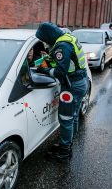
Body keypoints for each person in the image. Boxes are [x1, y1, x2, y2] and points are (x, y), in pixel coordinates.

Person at [35, 22, 88, 162]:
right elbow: (67, 62)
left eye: (44, 39)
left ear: (48, 36)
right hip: (80, 82)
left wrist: (44, 70)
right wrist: (48, 58)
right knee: (73, 115)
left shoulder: (62, 46)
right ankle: (68, 142)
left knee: (65, 118)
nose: (45, 43)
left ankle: (64, 153)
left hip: (72, 86)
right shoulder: (66, 38)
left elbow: (60, 72)